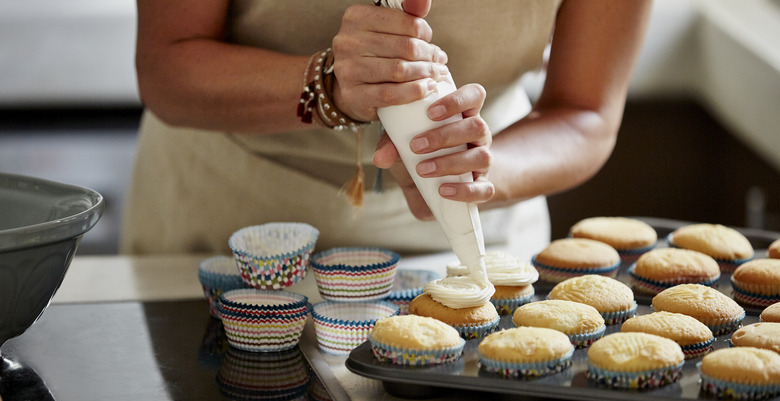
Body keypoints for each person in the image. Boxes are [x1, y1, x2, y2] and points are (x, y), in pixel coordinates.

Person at [120, 0, 653, 261]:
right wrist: (323, 85)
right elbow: (167, 65)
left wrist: (470, 171)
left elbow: (585, 111)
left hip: (473, 238)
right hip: (224, 221)